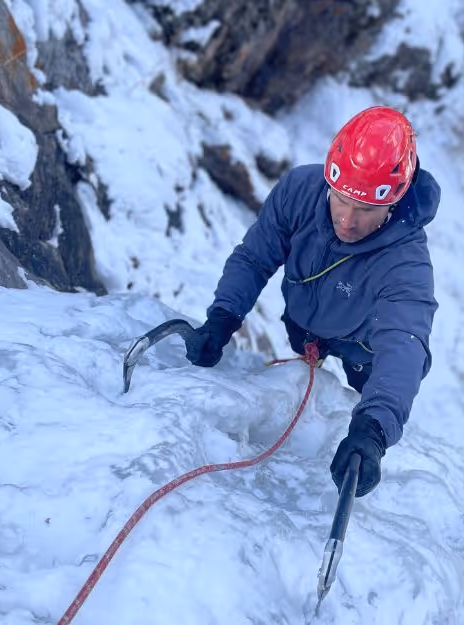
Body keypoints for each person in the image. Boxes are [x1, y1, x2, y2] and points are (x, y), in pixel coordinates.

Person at [185, 106, 440, 497]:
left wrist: (372, 430)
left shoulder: (406, 263)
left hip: (363, 349)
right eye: (341, 201)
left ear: (393, 202)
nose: (347, 221)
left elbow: (404, 345)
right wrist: (223, 316)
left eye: (367, 209)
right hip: (304, 325)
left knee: (361, 400)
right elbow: (255, 257)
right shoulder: (300, 192)